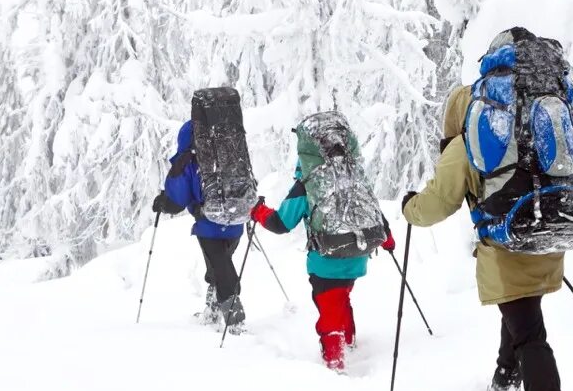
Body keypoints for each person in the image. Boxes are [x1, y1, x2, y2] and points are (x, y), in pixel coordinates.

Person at [401, 86, 566, 391]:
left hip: (507, 246)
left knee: (527, 329)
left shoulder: (470, 142)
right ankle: (504, 382)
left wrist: (409, 208)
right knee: (522, 312)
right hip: (546, 236)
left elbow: (438, 202)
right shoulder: (522, 133)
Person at [249, 121, 394, 372]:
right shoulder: (352, 175)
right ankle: (349, 342)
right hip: (358, 255)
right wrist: (388, 240)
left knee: (329, 306)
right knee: (342, 297)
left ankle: (335, 362)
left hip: (327, 260)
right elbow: (374, 212)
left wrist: (258, 211)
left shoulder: (307, 184)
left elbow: (281, 223)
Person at [152, 121, 246, 330]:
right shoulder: (232, 152)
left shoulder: (189, 161)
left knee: (221, 268)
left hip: (209, 225)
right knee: (219, 265)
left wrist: (162, 203)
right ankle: (213, 311)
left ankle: (235, 321)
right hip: (236, 221)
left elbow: (177, 202)